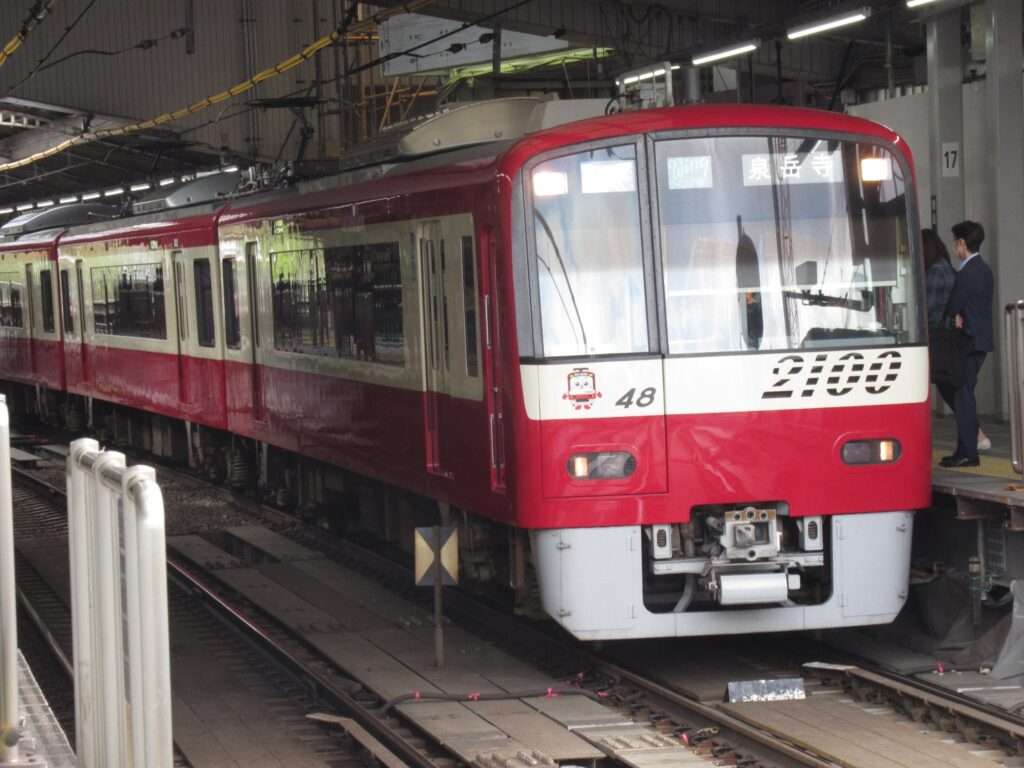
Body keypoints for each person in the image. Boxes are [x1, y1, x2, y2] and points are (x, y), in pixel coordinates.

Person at [924, 228, 991, 451]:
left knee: (957, 389)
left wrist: (953, 315)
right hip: (957, 338)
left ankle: (971, 444)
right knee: (956, 388)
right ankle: (973, 439)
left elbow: (932, 310)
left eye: (957, 243)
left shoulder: (939, 272)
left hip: (945, 339)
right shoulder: (955, 269)